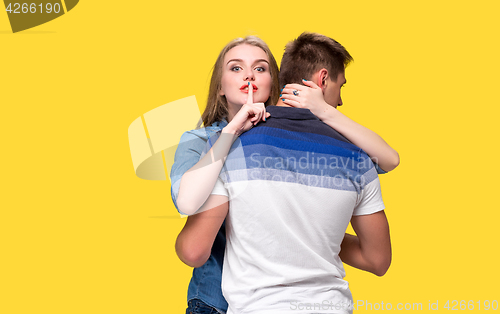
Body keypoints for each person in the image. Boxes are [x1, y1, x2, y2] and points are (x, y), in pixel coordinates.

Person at [171, 34, 398, 313]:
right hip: (220, 299)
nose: (249, 77)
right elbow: (378, 258)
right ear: (323, 79)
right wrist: (313, 231)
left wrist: (305, 230)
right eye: (236, 68)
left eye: (260, 68)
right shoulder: (214, 145)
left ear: (275, 81)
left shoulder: (234, 151)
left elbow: (192, 248)